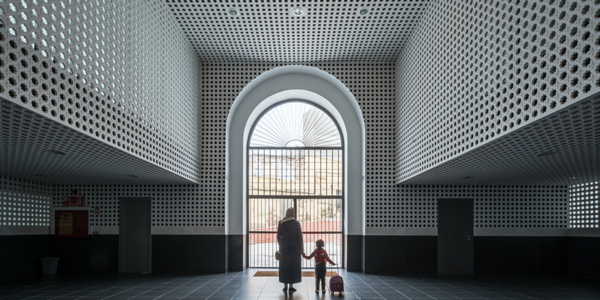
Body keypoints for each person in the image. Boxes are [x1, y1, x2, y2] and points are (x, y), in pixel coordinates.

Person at [277, 207, 304, 293]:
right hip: (294, 248)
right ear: (293, 213)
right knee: (292, 267)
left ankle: (285, 287)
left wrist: (281, 245)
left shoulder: (281, 223)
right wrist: (302, 249)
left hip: (284, 248)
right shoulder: (296, 223)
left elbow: (278, 236)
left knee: (284, 267)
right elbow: (299, 237)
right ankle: (291, 287)